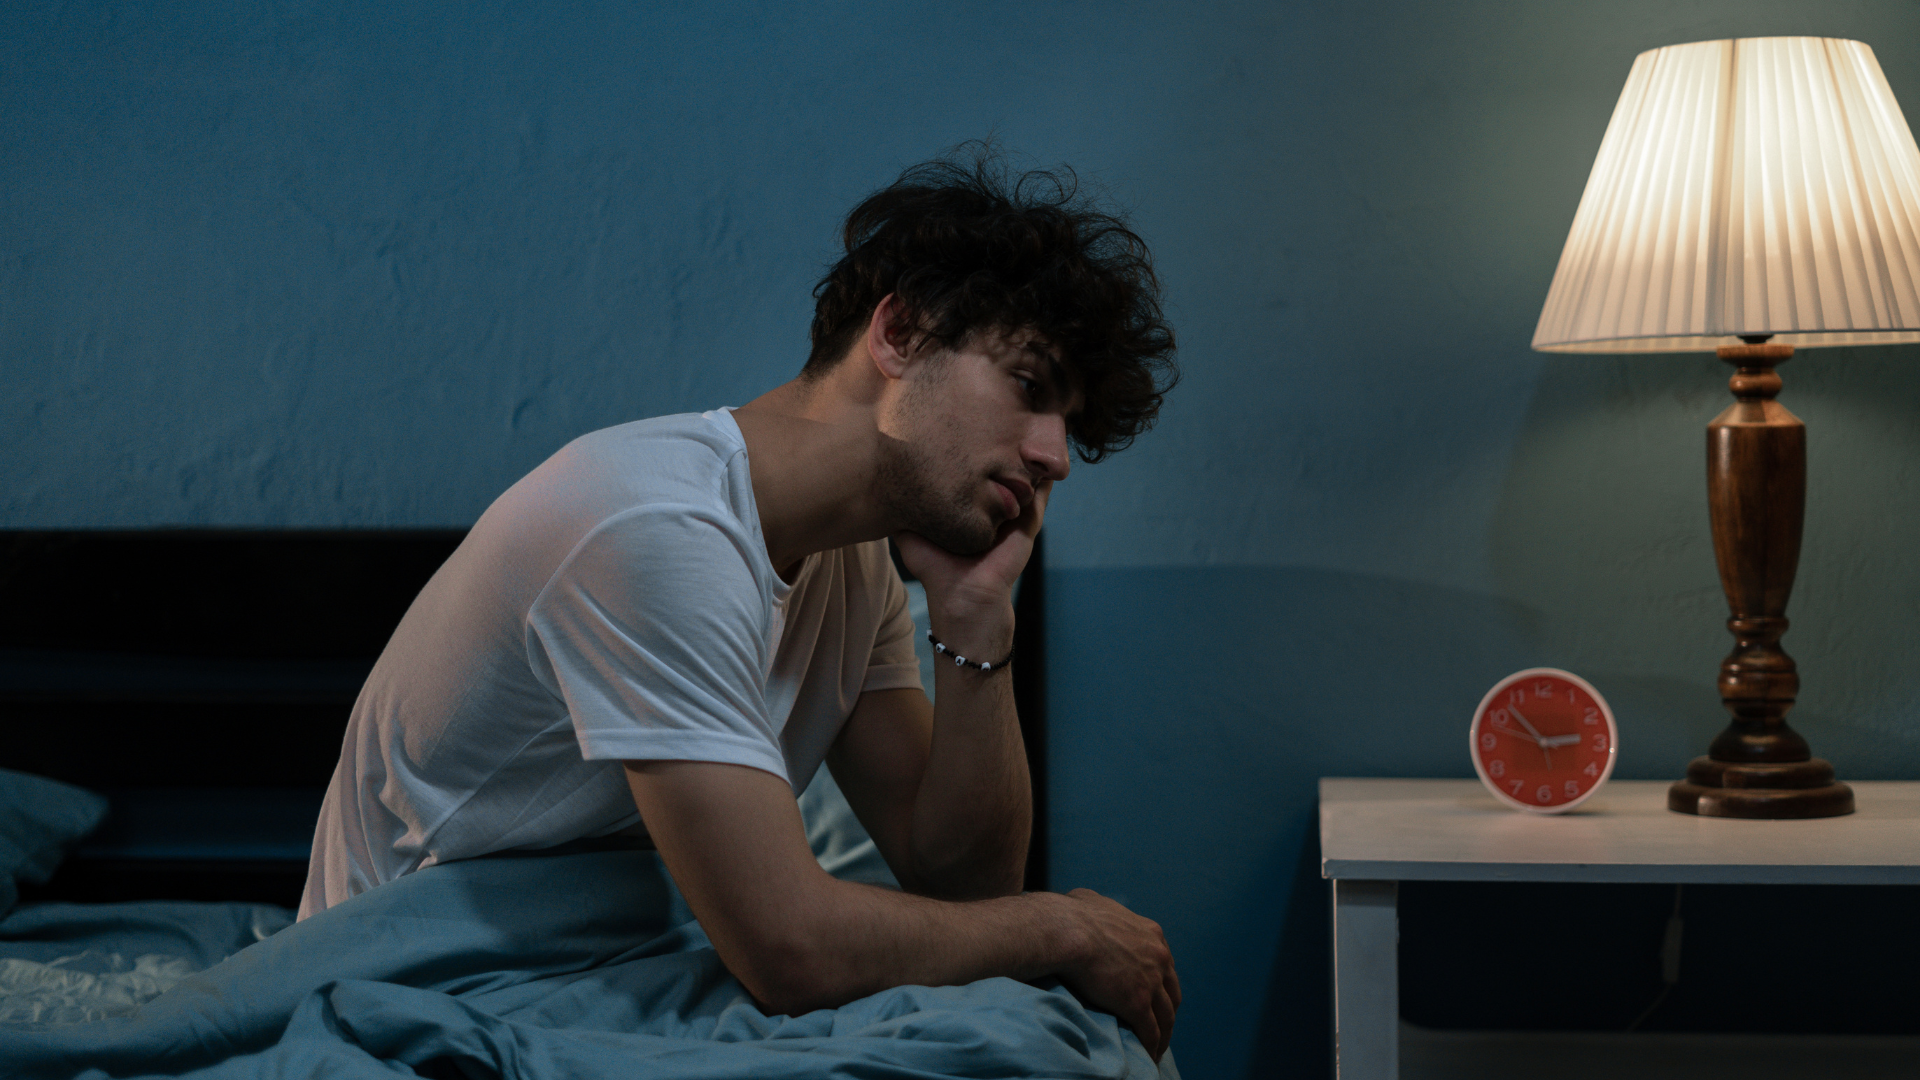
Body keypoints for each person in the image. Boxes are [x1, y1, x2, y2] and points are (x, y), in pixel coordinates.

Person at [300, 146, 1182, 1059]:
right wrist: (1063, 928)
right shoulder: (654, 528)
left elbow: (965, 882)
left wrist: (976, 615)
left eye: (1065, 424)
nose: (1055, 456)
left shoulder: (856, 571)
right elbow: (789, 950)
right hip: (421, 983)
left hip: (593, 974)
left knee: (1036, 1038)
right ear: (901, 335)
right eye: (1030, 388)